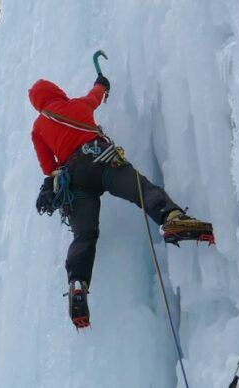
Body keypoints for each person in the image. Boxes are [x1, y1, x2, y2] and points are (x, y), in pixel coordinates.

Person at [29, 75, 213, 329]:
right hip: (103, 161)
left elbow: (49, 168)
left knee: (84, 236)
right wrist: (102, 84)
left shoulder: (39, 127)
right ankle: (172, 219)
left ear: (37, 103)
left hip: (75, 181)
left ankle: (78, 283)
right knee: (142, 190)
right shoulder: (77, 106)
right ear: (57, 92)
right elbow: (96, 96)